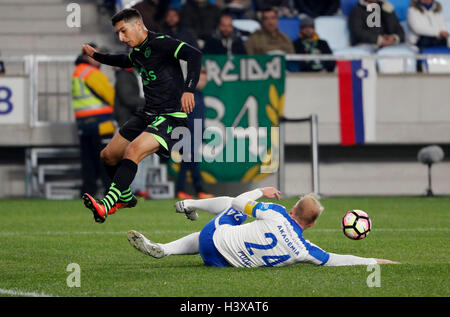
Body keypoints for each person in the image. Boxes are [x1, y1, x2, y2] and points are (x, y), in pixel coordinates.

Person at [81, 8, 202, 223]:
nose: (121, 37)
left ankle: (106, 204)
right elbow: (123, 61)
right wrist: (96, 56)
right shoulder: (138, 52)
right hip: (147, 113)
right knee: (107, 155)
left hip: (171, 117)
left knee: (133, 150)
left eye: (123, 31)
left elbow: (194, 54)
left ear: (138, 25)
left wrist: (189, 89)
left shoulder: (161, 42)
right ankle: (126, 197)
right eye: (118, 33)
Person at [127, 187, 400, 267]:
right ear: (313, 224)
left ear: (292, 210)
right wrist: (375, 260)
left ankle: (189, 208)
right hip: (224, 264)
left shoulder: (278, 212)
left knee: (233, 209)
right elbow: (338, 259)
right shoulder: (306, 250)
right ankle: (187, 211)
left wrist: (260, 190)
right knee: (223, 229)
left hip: (212, 241)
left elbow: (237, 202)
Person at [71, 43, 115, 198]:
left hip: (84, 125)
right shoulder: (91, 73)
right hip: (100, 124)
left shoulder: (78, 72)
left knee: (88, 163)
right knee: (105, 161)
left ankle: (87, 193)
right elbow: (111, 97)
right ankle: (111, 194)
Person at [175, 67, 215, 200]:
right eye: (200, 79)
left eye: (204, 79)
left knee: (188, 163)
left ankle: (182, 190)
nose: (203, 82)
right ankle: (198, 190)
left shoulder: (199, 94)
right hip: (186, 134)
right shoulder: (187, 94)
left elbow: (200, 117)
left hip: (196, 135)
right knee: (190, 163)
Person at [113, 66, 151, 199]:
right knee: (132, 157)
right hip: (128, 123)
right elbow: (128, 99)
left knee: (142, 157)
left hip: (137, 122)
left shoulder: (136, 74)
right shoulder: (124, 75)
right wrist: (151, 102)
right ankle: (132, 189)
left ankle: (138, 188)